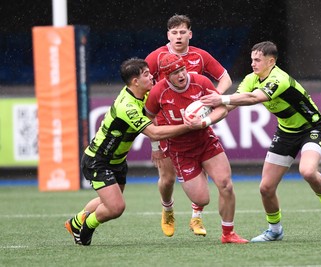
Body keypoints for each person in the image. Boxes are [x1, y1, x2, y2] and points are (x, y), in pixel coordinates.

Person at [200, 41, 321, 242]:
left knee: (307, 171)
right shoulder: (252, 78)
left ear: (271, 61)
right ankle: (275, 230)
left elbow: (253, 98)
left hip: (312, 128)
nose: (252, 64)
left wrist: (221, 99)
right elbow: (232, 103)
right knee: (266, 188)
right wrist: (205, 119)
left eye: (257, 60)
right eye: (252, 59)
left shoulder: (279, 78)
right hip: (286, 133)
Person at [64, 58, 199, 246]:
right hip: (98, 160)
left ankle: (76, 222)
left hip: (117, 161)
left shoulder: (143, 93)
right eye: (146, 74)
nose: (151, 76)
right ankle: (85, 229)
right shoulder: (127, 107)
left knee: (110, 201)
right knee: (116, 207)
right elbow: (153, 131)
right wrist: (188, 126)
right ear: (135, 81)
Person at [145, 53, 248, 244]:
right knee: (201, 199)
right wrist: (155, 146)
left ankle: (228, 233)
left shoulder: (201, 82)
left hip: (206, 141)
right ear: (167, 76)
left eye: (182, 69)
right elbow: (149, 119)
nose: (181, 75)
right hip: (180, 150)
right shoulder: (158, 92)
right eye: (175, 73)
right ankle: (168, 208)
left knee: (225, 184)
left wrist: (204, 122)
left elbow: (222, 108)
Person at [145, 14, 232, 237]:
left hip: (197, 120)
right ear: (168, 35)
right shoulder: (157, 58)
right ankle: (167, 209)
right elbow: (143, 91)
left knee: (209, 171)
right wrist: (155, 143)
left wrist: (211, 100)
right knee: (167, 178)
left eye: (183, 32)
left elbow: (225, 78)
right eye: (174, 32)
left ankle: (196, 217)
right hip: (167, 128)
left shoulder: (199, 57)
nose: (178, 36)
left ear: (190, 34)